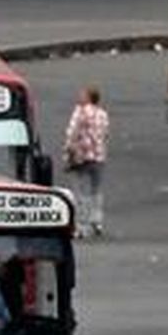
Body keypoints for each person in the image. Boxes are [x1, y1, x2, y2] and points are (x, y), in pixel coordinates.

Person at [63, 86, 110, 238]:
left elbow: (72, 133)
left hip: (81, 155)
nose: (79, 96)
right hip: (98, 156)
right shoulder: (103, 114)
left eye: (82, 94)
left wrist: (68, 152)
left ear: (89, 97)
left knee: (80, 190)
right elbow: (105, 134)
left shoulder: (80, 112)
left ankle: (81, 226)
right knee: (96, 190)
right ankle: (96, 222)